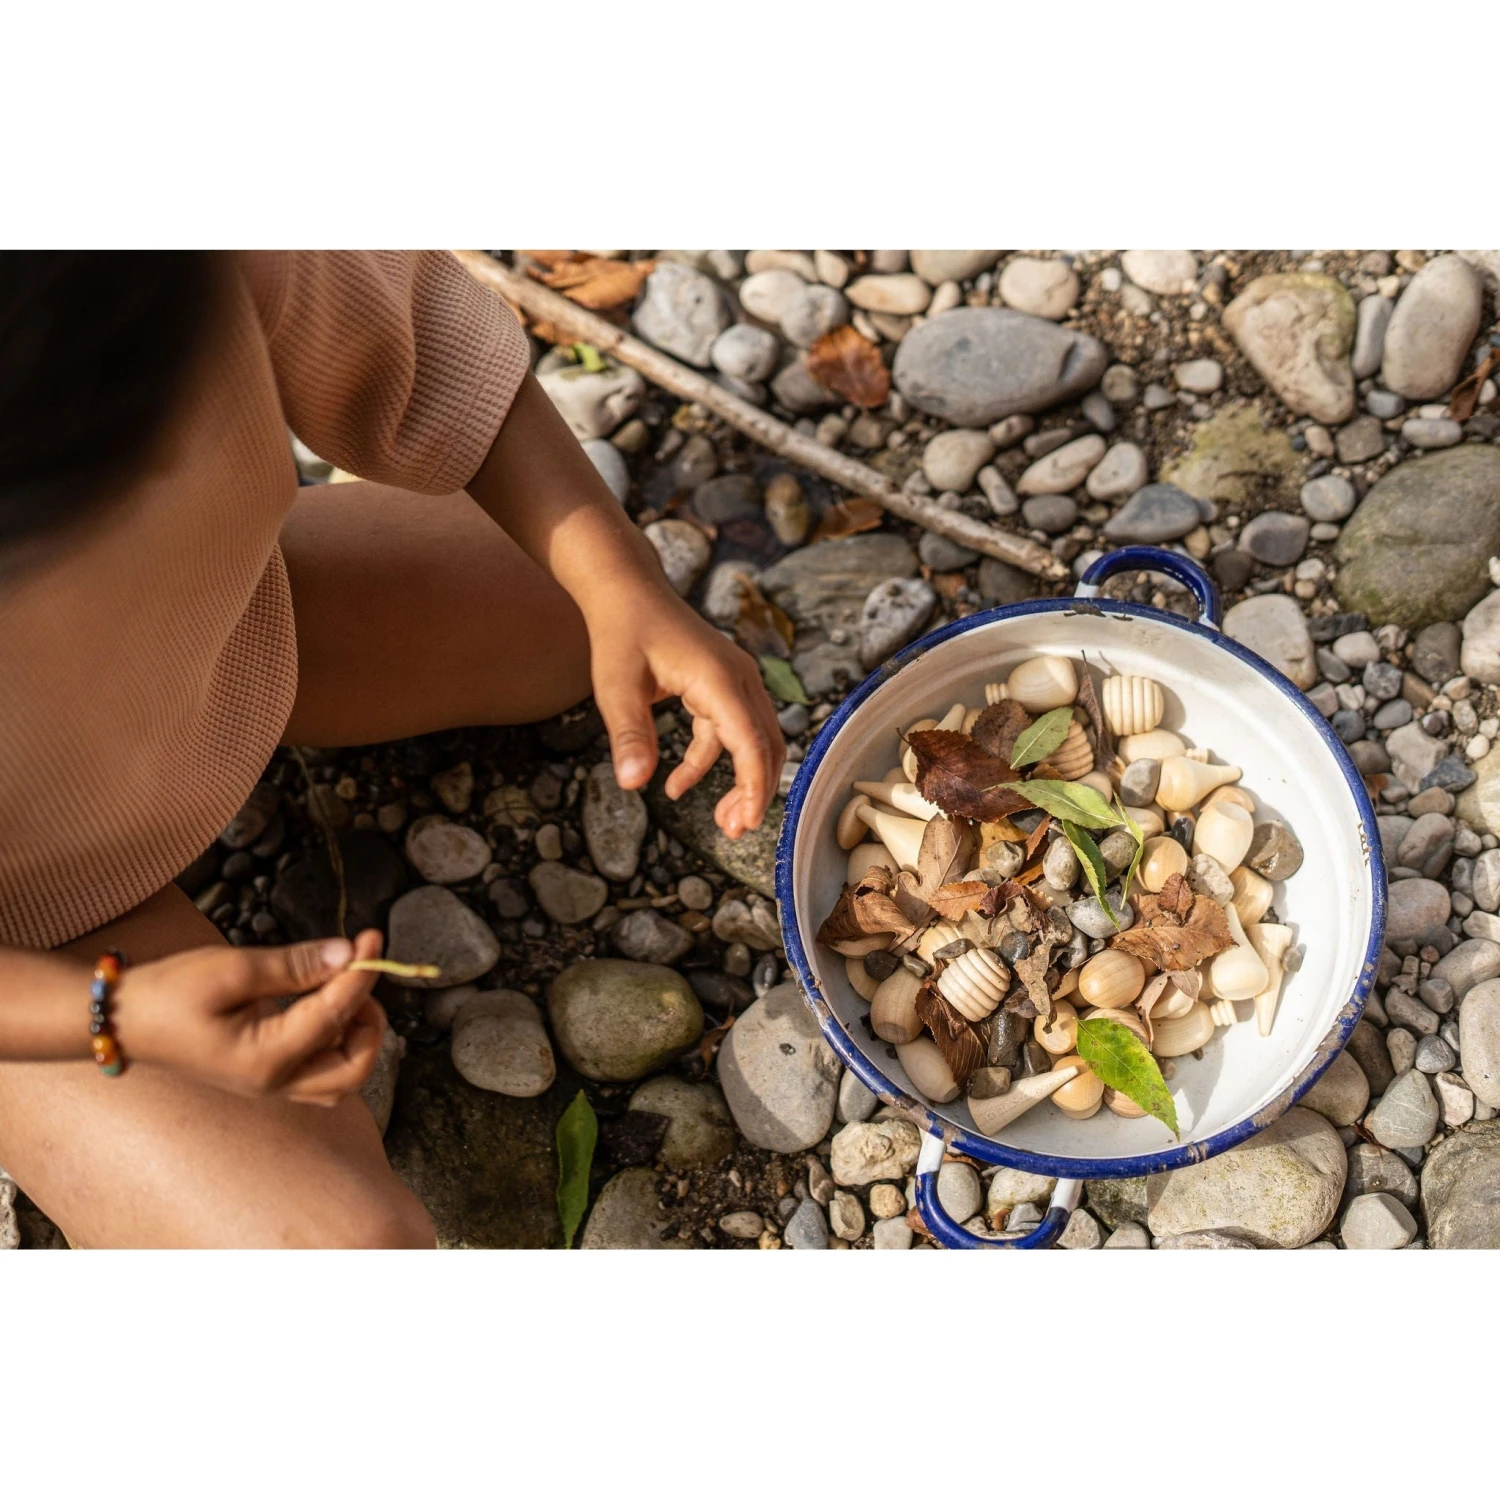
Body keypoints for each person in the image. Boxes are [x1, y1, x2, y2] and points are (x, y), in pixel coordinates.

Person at [0, 250, 785, 1248]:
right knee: (342, 1251)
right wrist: (109, 1013)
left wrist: (620, 584)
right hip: (38, 929)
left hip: (231, 636)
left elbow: (428, 355)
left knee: (563, 610)